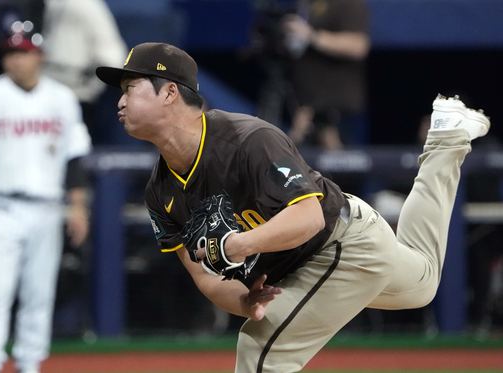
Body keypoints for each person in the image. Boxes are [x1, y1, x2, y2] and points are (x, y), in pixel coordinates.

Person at [95, 42, 490, 372]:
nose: (121, 99)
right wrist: (245, 301)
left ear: (169, 92)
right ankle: (447, 138)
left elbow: (308, 217)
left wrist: (239, 245)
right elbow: (204, 276)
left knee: (260, 352)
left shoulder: (247, 139)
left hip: (342, 245)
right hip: (311, 264)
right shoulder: (158, 191)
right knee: (423, 282)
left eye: (130, 87)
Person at [0, 27, 92, 373]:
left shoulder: (61, 98)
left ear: (39, 56)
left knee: (39, 293)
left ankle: (30, 363)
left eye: (24, 52)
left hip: (46, 206)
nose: (16, 59)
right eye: (11, 52)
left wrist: (77, 206)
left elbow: (75, 158)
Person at [282, 0, 371, 149]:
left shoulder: (349, 4)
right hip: (306, 106)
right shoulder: (306, 5)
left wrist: (311, 36)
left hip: (340, 109)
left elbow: (358, 46)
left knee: (342, 164)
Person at [40, 0, 128, 139]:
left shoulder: (85, 4)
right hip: (43, 92)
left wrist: (92, 77)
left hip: (79, 95)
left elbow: (113, 55)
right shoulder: (38, 5)